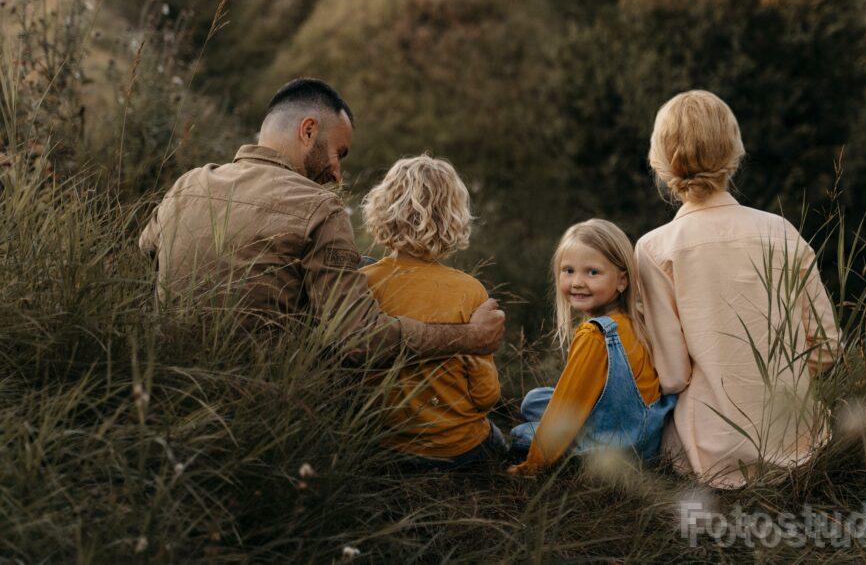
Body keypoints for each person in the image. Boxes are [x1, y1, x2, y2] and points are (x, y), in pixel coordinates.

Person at [138, 78, 504, 361]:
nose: (337, 173)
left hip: (164, 379)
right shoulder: (318, 207)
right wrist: (469, 337)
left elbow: (148, 252)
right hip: (262, 404)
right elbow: (358, 338)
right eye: (338, 153)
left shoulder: (189, 184)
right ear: (308, 130)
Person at [635, 89, 841, 489]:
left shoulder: (655, 249)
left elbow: (673, 376)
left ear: (658, 163)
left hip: (707, 454)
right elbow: (827, 346)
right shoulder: (781, 232)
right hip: (800, 445)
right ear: (735, 154)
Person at [360, 155, 507, 469]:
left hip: (386, 448)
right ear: (453, 218)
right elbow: (486, 395)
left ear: (381, 209)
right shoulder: (470, 292)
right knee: (504, 440)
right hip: (459, 449)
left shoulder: (362, 284)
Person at [507, 219, 676, 475]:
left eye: (592, 272)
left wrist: (532, 465)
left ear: (622, 281)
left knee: (521, 434)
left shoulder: (594, 335)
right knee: (534, 400)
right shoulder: (635, 321)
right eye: (568, 270)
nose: (577, 282)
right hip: (644, 438)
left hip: (612, 449)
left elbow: (567, 406)